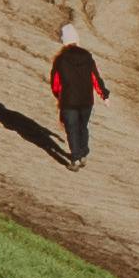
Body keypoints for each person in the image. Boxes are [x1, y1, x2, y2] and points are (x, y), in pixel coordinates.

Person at [50, 17, 107, 167]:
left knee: (72, 129)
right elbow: (95, 77)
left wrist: (58, 95)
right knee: (83, 126)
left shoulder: (60, 59)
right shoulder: (87, 56)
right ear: (76, 39)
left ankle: (75, 158)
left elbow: (55, 83)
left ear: (64, 41)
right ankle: (83, 152)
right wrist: (104, 95)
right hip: (86, 100)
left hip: (68, 100)